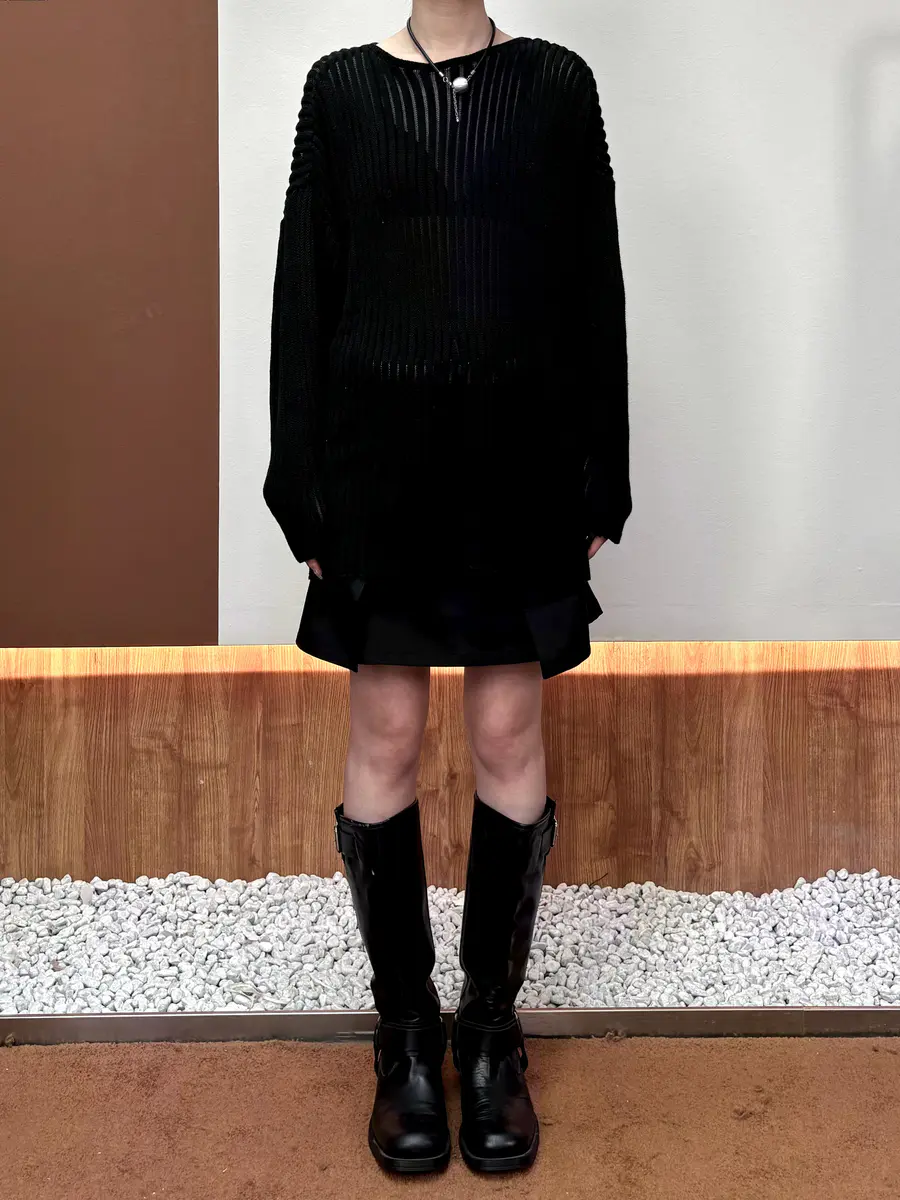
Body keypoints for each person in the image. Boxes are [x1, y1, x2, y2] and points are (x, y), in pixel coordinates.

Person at [264, 0, 631, 1176]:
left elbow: (592, 283)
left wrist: (602, 470)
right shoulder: (340, 89)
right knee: (384, 728)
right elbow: (306, 287)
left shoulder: (558, 84)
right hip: (379, 471)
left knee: (509, 728)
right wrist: (299, 479)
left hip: (520, 467)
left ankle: (489, 1037)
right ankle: (406, 1039)